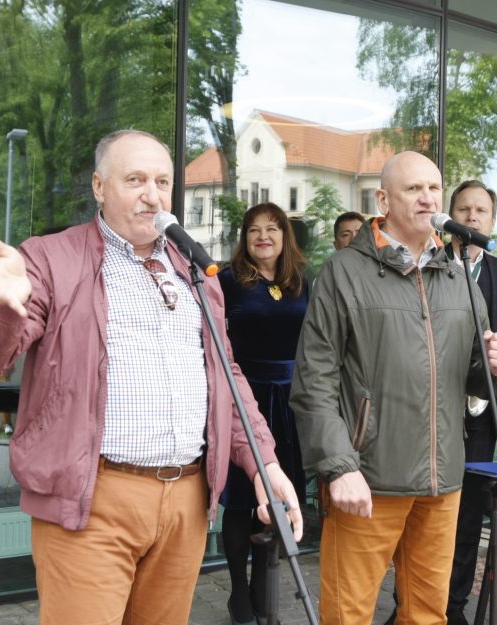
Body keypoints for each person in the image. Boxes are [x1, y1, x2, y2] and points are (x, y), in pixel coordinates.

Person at [0, 129, 302, 625]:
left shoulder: (192, 270)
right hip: (92, 499)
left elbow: (224, 376)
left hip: (186, 500)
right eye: (135, 179)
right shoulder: (51, 258)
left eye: (162, 181)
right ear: (100, 187)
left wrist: (264, 465)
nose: (152, 193)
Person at [290, 151, 497, 625]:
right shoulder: (344, 273)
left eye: (433, 188)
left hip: (442, 482)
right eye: (414, 189)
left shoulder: (458, 277)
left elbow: (472, 375)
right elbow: (314, 382)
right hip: (367, 479)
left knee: (428, 615)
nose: (427, 197)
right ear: (384, 199)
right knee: (346, 615)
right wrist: (337, 467)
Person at [444, 179, 497, 625]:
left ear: (492, 221)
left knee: (468, 514)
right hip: (434, 406)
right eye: (464, 209)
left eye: (481, 210)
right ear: (450, 216)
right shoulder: (429, 263)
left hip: (482, 411)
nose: (472, 217)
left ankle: (454, 607)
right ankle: (411, 607)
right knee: (424, 513)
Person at [219, 202, 309, 625]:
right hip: (244, 400)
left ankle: (264, 592)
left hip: (288, 402)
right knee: (240, 502)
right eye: (254, 230)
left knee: (277, 501)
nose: (263, 237)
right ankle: (239, 592)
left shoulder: (300, 284)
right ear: (244, 237)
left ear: (284, 236)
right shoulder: (226, 282)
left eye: (272, 229)